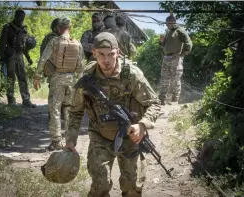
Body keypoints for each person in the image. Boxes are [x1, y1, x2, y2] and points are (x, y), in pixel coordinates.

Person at [65, 32, 161, 197]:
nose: (106, 60)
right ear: (94, 53)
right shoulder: (87, 78)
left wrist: (142, 125)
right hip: (99, 135)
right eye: (101, 54)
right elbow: (75, 111)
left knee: (131, 187)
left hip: (130, 136)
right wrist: (71, 138)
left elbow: (154, 103)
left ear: (118, 52)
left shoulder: (131, 75)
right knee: (100, 184)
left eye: (111, 54)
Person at [33, 17, 84, 151]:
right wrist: (80, 84)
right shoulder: (77, 43)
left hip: (57, 78)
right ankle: (69, 141)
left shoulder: (54, 42)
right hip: (72, 79)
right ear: (70, 27)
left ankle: (56, 141)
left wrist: (37, 76)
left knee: (55, 109)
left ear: (58, 28)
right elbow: (81, 66)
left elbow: (43, 59)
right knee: (68, 110)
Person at [0, 9, 36, 108]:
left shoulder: (24, 30)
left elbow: (24, 47)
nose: (21, 19)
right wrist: (2, 56)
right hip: (10, 55)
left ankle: (26, 100)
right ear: (15, 16)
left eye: (23, 18)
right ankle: (11, 100)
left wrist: (28, 58)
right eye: (19, 17)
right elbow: (2, 44)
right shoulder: (7, 28)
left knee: (22, 78)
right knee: (10, 78)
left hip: (20, 56)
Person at [158, 14, 192, 105]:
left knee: (175, 80)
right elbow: (162, 45)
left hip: (176, 57)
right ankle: (161, 100)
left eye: (167, 23)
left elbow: (188, 43)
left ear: (172, 22)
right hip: (166, 58)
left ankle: (174, 101)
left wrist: (183, 53)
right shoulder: (167, 32)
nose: (166, 25)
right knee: (164, 79)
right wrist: (161, 41)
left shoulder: (180, 30)